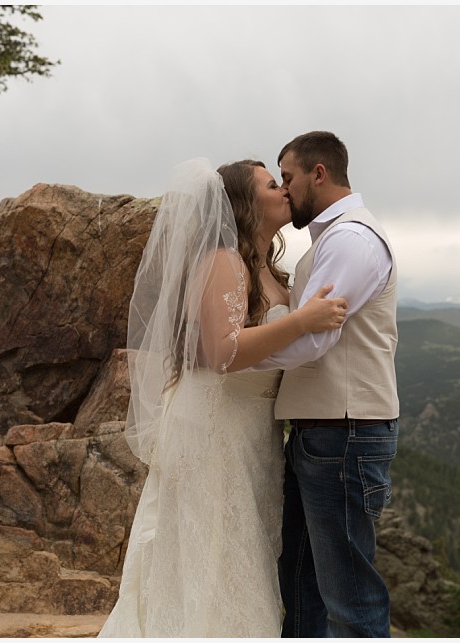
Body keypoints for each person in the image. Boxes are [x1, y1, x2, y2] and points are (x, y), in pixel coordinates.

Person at [97, 158, 348, 638]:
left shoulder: (265, 267)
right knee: (211, 552)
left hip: (250, 429)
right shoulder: (222, 260)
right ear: (244, 202)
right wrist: (303, 320)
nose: (284, 191)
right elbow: (222, 352)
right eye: (271, 185)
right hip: (214, 427)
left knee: (240, 551)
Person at [255, 131, 400, 637]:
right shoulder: (330, 241)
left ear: (319, 174)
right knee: (299, 588)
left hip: (345, 433)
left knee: (349, 598)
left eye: (289, 178)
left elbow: (313, 340)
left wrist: (233, 357)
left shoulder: (352, 239)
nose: (285, 190)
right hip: (322, 433)